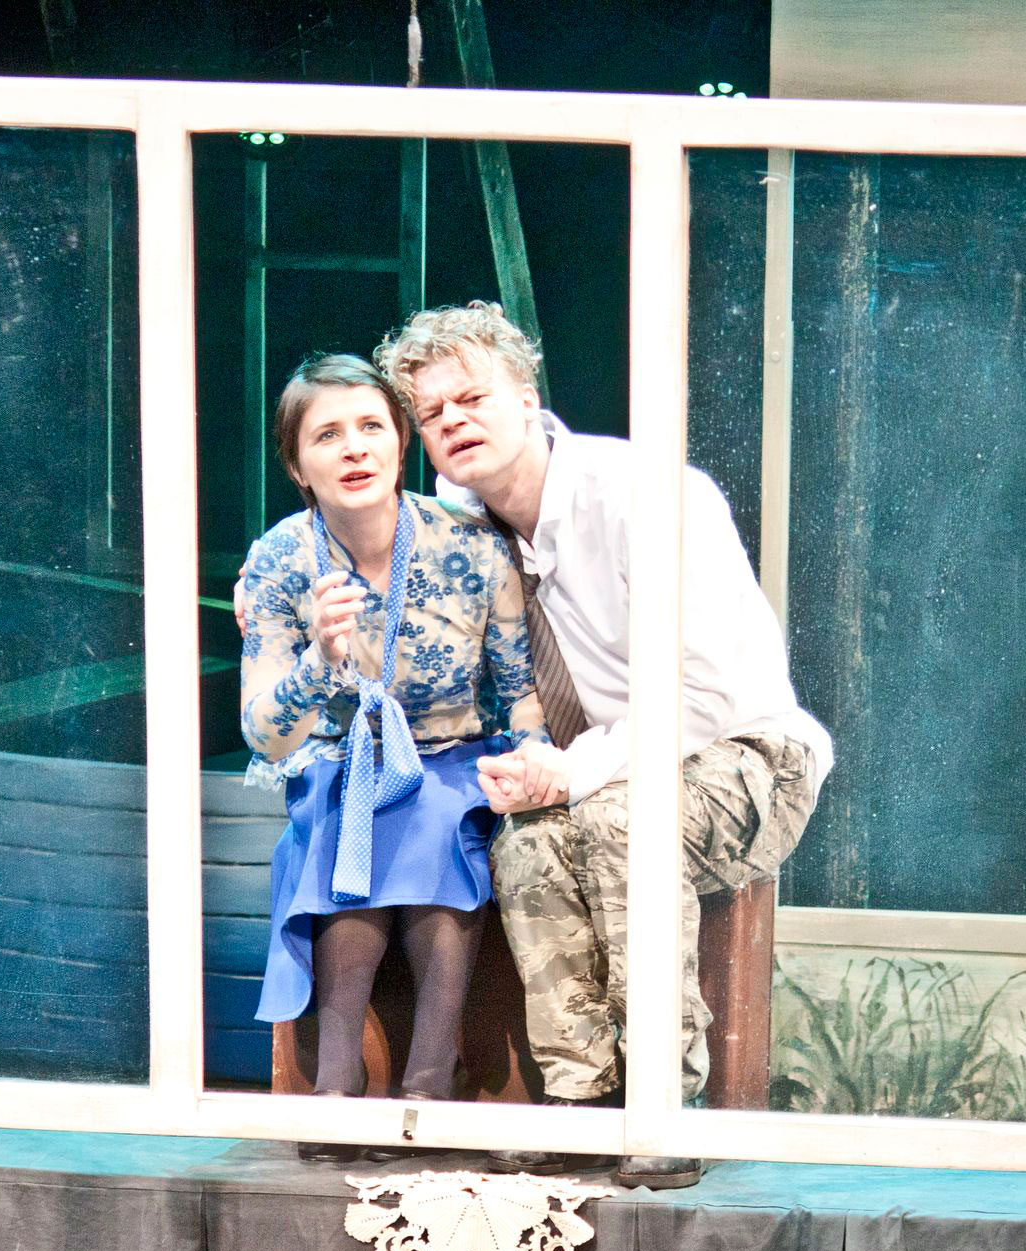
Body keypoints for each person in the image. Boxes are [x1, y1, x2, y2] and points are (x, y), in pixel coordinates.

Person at [374, 302, 833, 1190]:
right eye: (431, 413)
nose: (453, 421)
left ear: (528, 396)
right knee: (527, 841)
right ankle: (579, 1096)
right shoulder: (459, 527)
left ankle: (662, 1098)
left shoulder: (643, 494)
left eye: (472, 397)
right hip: (597, 773)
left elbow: (707, 693)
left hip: (748, 753)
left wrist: (573, 769)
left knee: (624, 819)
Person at [238, 353, 546, 1162]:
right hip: (342, 761)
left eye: (371, 426)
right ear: (297, 465)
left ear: (401, 443)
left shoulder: (470, 546)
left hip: (452, 757)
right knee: (352, 810)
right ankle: (336, 1085)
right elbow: (263, 733)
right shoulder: (280, 560)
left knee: (439, 816)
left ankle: (428, 1084)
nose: (354, 448)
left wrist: (534, 764)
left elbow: (520, 692)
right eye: (327, 435)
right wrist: (318, 661)